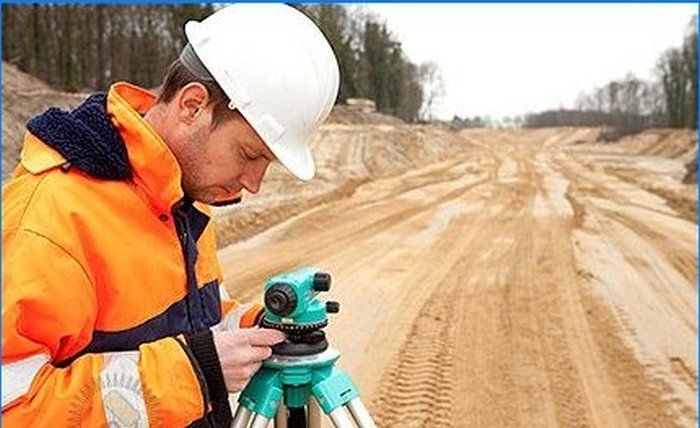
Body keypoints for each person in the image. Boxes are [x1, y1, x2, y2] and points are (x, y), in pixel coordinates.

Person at [1, 4, 339, 427]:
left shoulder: (177, 198)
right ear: (193, 105)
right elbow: (12, 407)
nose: (254, 183)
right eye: (249, 155)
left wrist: (260, 328)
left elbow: (192, 318)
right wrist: (193, 372)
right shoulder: (50, 218)